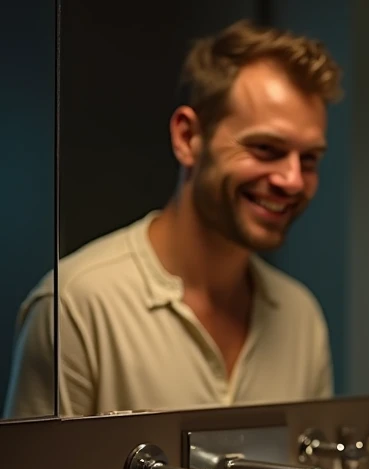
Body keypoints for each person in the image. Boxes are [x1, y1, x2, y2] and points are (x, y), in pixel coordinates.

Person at [5, 20, 340, 418]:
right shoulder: (79, 307)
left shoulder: (301, 318)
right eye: (266, 148)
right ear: (187, 138)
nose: (292, 180)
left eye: (310, 159)